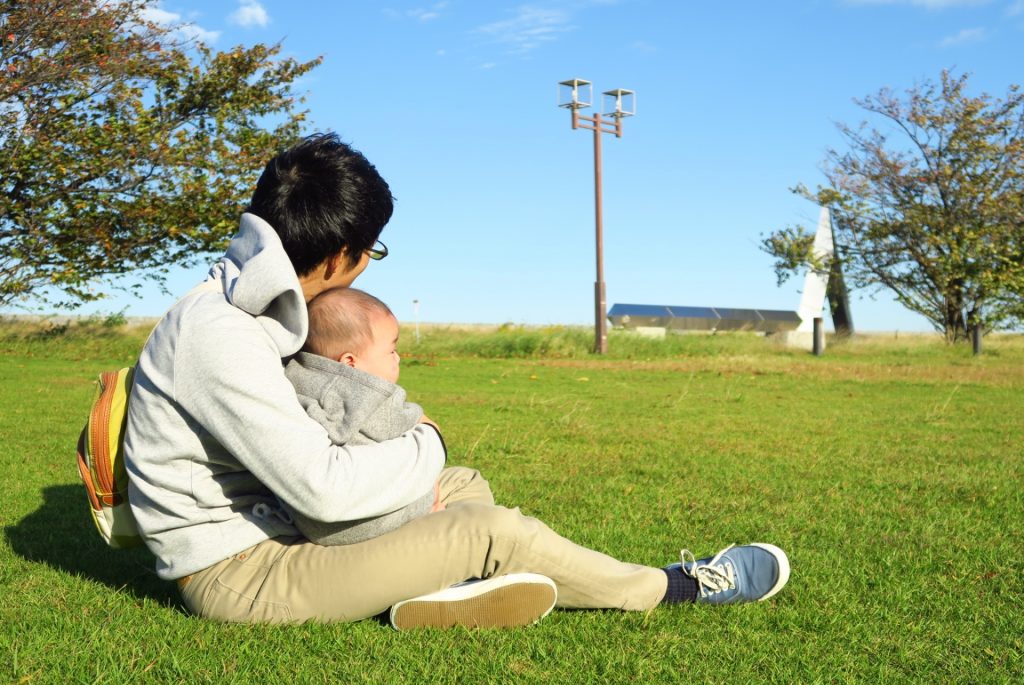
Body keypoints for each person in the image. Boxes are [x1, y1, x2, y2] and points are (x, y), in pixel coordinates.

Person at [124, 132, 790, 630]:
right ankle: (677, 586)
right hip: (244, 569)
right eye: (372, 251)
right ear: (342, 254)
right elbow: (322, 489)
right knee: (490, 530)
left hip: (283, 527)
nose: (368, 266)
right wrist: (426, 441)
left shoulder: (251, 308)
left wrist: (427, 465)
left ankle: (438, 594)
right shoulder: (220, 333)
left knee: (461, 486)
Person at [284, 286, 449, 545]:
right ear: (350, 363)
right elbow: (416, 427)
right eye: (391, 351)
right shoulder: (374, 396)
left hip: (309, 524)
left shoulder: (294, 378)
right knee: (435, 485)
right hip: (367, 521)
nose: (398, 358)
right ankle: (435, 522)